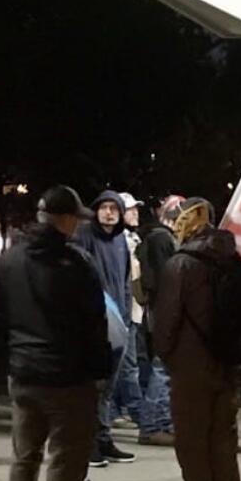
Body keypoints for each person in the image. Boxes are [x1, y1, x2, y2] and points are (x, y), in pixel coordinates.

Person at [0, 185, 111, 481]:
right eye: (75, 218)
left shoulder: (9, 261)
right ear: (64, 219)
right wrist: (100, 371)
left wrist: (15, 356)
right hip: (68, 377)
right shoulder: (75, 265)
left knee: (24, 457)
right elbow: (95, 324)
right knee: (65, 459)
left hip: (24, 374)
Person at [150, 197, 241, 481]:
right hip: (227, 371)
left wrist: (168, 357)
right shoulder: (233, 260)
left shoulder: (181, 265)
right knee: (223, 455)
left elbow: (165, 325)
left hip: (192, 371)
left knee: (194, 456)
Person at [73, 190, 135, 466]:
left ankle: (104, 438)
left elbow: (124, 280)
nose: (109, 213)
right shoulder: (85, 236)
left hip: (119, 321)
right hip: (94, 321)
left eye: (115, 208)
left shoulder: (121, 240)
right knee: (93, 386)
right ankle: (88, 445)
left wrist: (125, 313)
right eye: (104, 207)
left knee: (110, 386)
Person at [135, 196, 181, 447]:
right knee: (162, 367)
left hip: (160, 308)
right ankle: (153, 425)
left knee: (164, 367)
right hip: (165, 310)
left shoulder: (155, 238)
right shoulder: (162, 239)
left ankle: (159, 423)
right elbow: (168, 277)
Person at [111, 192, 145, 429]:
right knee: (128, 364)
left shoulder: (132, 239)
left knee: (125, 363)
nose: (135, 213)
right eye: (130, 209)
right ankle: (136, 411)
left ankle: (116, 410)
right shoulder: (121, 241)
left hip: (131, 309)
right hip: (125, 311)